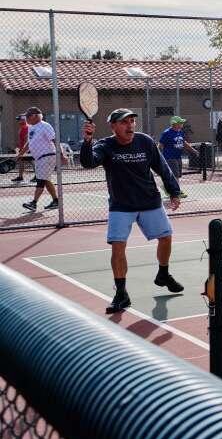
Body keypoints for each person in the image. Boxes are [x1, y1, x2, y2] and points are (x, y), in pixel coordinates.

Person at [80, 109, 183, 314]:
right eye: (124, 122)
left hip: (149, 201)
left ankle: (163, 274)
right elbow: (88, 162)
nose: (130, 126)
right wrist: (88, 140)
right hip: (121, 205)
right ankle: (121, 294)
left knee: (166, 237)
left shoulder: (145, 142)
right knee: (118, 247)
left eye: (132, 121)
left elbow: (163, 168)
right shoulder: (105, 146)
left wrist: (174, 191)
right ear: (113, 127)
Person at [16, 107, 60, 211]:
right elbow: (29, 143)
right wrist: (21, 154)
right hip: (39, 158)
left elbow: (54, 140)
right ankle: (56, 201)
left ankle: (34, 203)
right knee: (45, 180)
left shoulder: (45, 126)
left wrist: (61, 154)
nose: (26, 118)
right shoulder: (31, 127)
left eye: (28, 116)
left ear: (35, 116)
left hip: (47, 156)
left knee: (40, 180)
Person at [158, 116, 198, 197]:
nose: (182, 124)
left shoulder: (180, 132)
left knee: (178, 175)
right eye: (180, 123)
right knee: (175, 175)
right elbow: (160, 145)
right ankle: (177, 192)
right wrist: (158, 155)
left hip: (178, 156)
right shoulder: (167, 133)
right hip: (170, 157)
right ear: (175, 124)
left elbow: (184, 143)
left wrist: (193, 150)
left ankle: (167, 187)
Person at [11, 114, 29, 183]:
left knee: (33, 162)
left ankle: (37, 176)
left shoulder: (27, 128)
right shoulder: (21, 128)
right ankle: (20, 176)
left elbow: (26, 140)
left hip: (27, 149)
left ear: (24, 120)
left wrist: (24, 150)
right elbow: (21, 140)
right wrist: (18, 148)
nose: (18, 121)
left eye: (19, 120)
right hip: (22, 149)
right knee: (21, 162)